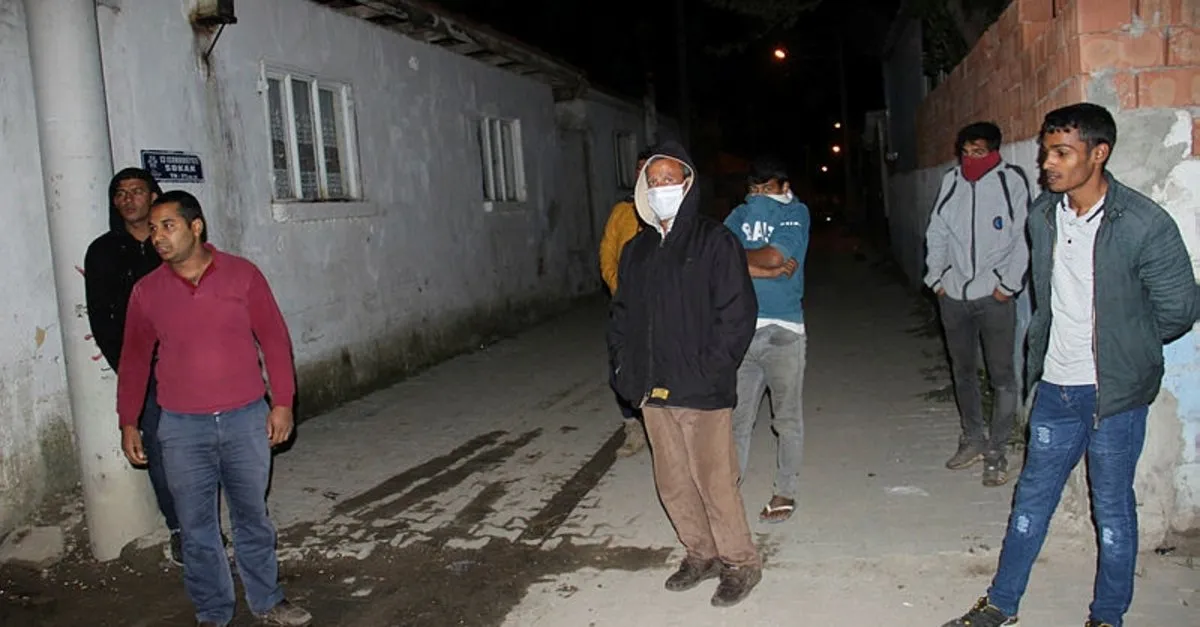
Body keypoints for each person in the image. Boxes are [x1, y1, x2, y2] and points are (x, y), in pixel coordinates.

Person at [941, 103, 1199, 627]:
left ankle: (1106, 616)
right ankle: (1001, 604)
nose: (1047, 164)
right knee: (1031, 499)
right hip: (1056, 386)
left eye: (1062, 153)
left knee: (1112, 509)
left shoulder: (1143, 223)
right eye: (1046, 152)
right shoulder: (1044, 216)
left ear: (1099, 154)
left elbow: (1180, 309)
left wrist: (1126, 348)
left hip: (1114, 394)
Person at [116, 191, 312, 627]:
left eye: (168, 226)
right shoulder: (147, 292)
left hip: (245, 418)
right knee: (196, 526)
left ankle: (268, 600)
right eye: (154, 229)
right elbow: (134, 359)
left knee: (252, 517)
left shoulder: (242, 275)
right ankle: (213, 612)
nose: (158, 237)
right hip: (182, 427)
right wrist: (128, 420)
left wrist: (282, 403)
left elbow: (274, 339)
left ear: (196, 226)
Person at [607, 141, 762, 607]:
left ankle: (740, 561)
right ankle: (701, 553)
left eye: (669, 180)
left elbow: (738, 314)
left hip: (701, 388)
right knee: (672, 482)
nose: (661, 188)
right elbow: (621, 317)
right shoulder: (636, 250)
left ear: (688, 183)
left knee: (715, 481)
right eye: (653, 181)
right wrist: (624, 370)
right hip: (652, 389)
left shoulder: (714, 241)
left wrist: (712, 369)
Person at [84, 168, 184, 564]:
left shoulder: (173, 243)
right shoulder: (103, 252)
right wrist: (130, 370)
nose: (128, 199)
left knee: (198, 445)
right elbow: (102, 319)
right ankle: (180, 528)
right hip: (144, 367)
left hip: (188, 362)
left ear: (154, 195)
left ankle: (204, 521)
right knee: (158, 445)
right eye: (120, 193)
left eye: (137, 191)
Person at [923, 121, 1031, 487]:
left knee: (1003, 377)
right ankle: (973, 438)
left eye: (978, 152)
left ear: (994, 151)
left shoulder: (1011, 181)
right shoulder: (952, 181)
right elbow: (937, 231)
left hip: (995, 297)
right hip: (953, 296)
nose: (970, 159)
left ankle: (997, 450)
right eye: (966, 152)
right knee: (963, 371)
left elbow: (1023, 237)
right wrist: (937, 278)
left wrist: (1007, 285)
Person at [723, 157, 811, 523]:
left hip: (784, 331)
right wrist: (766, 270)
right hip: (742, 329)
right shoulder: (738, 214)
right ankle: (726, 491)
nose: (759, 196)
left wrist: (745, 260)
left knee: (786, 419)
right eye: (754, 189)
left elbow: (776, 255)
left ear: (784, 187)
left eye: (767, 188)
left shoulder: (796, 213)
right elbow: (717, 256)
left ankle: (784, 491)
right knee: (736, 420)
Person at [599, 147, 654, 457]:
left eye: (648, 168)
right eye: (638, 168)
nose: (641, 173)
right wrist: (617, 286)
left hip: (657, 304)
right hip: (625, 303)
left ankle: (660, 428)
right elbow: (607, 252)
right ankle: (633, 428)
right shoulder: (622, 211)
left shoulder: (668, 211)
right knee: (620, 365)